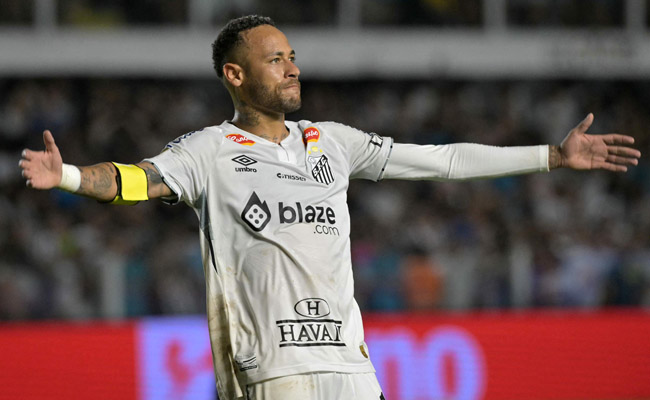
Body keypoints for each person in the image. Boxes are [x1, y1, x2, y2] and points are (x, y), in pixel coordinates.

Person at [18, 15, 640, 400]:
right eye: (275, 58)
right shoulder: (208, 151)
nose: (292, 67)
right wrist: (69, 175)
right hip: (272, 372)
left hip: (350, 364)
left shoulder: (333, 142)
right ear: (234, 75)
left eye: (292, 56)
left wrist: (552, 158)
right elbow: (136, 180)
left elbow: (442, 160)